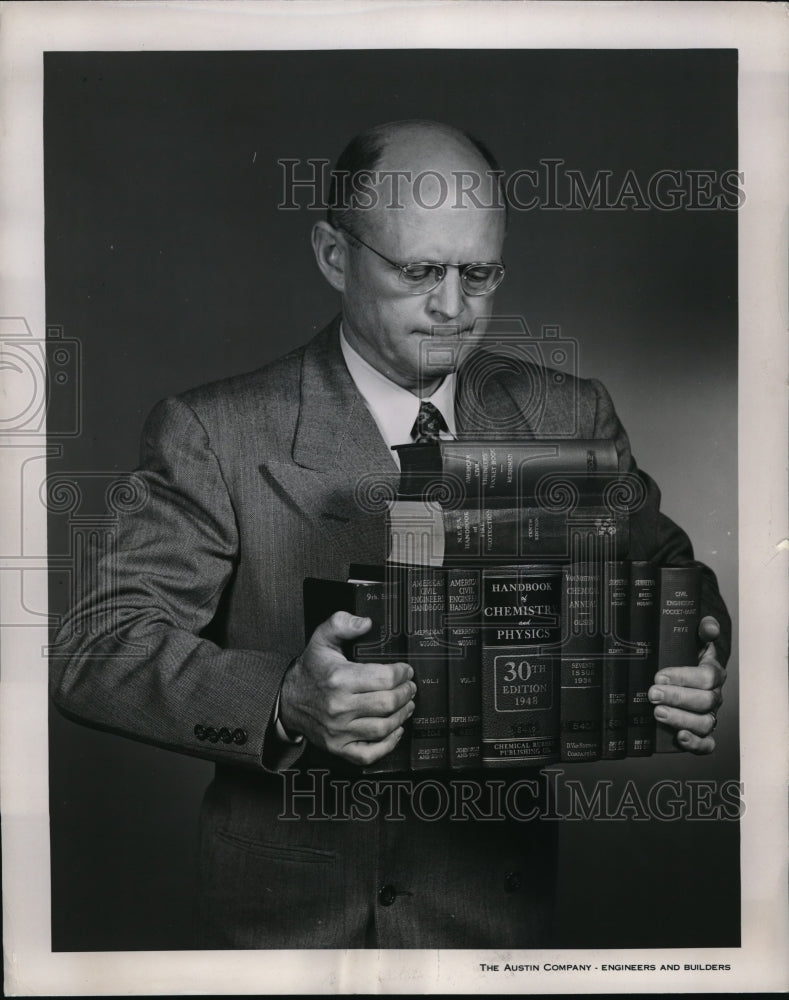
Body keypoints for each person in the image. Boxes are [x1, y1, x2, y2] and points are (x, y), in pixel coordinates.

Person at [51, 120, 730, 949]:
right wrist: (283, 702)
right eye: (418, 272)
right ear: (334, 256)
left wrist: (689, 654)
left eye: (477, 274)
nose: (451, 308)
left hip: (494, 911)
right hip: (291, 923)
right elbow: (100, 649)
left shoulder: (567, 411)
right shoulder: (215, 431)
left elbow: (668, 571)